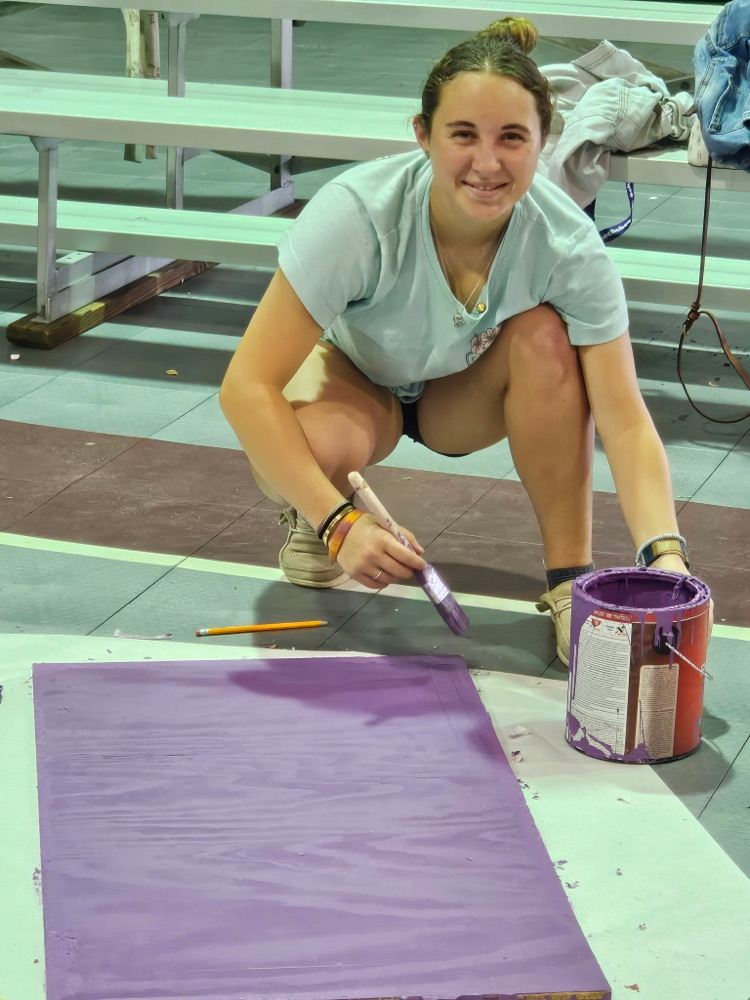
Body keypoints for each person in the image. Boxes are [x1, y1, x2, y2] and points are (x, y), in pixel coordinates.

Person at [220, 16, 692, 666]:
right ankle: (315, 507)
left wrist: (666, 556)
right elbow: (244, 388)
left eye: (512, 138)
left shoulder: (567, 247)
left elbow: (626, 420)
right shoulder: (355, 214)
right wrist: (340, 522)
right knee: (311, 447)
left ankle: (565, 586)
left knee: (547, 339)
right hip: (357, 381)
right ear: (422, 135)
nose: (487, 163)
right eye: (463, 135)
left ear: (544, 142)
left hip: (457, 394)